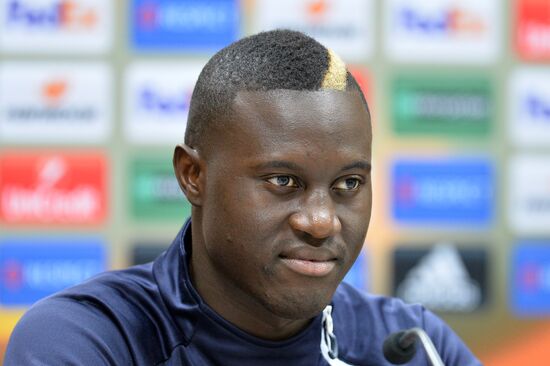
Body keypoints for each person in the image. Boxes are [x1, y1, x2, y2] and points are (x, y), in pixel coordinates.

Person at [5, 30, 481, 366]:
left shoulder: (409, 347)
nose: (321, 221)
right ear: (193, 176)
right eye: (282, 181)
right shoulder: (90, 341)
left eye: (348, 185)